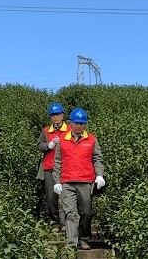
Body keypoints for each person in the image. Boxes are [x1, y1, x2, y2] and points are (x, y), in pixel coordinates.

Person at [52, 107, 105, 251]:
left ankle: (84, 238)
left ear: (85, 124)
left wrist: (99, 174)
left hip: (86, 182)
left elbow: (97, 159)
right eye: (76, 123)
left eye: (82, 123)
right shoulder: (62, 140)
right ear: (71, 123)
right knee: (70, 213)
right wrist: (57, 182)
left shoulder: (92, 139)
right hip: (68, 182)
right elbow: (57, 162)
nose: (79, 126)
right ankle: (71, 243)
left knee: (86, 213)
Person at [37, 102, 71, 230]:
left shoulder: (69, 129)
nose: (55, 117)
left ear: (62, 115)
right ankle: (54, 221)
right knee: (51, 196)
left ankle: (67, 222)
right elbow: (39, 145)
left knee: (67, 195)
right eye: (53, 115)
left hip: (66, 167)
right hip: (49, 167)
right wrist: (48, 145)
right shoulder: (46, 131)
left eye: (58, 115)